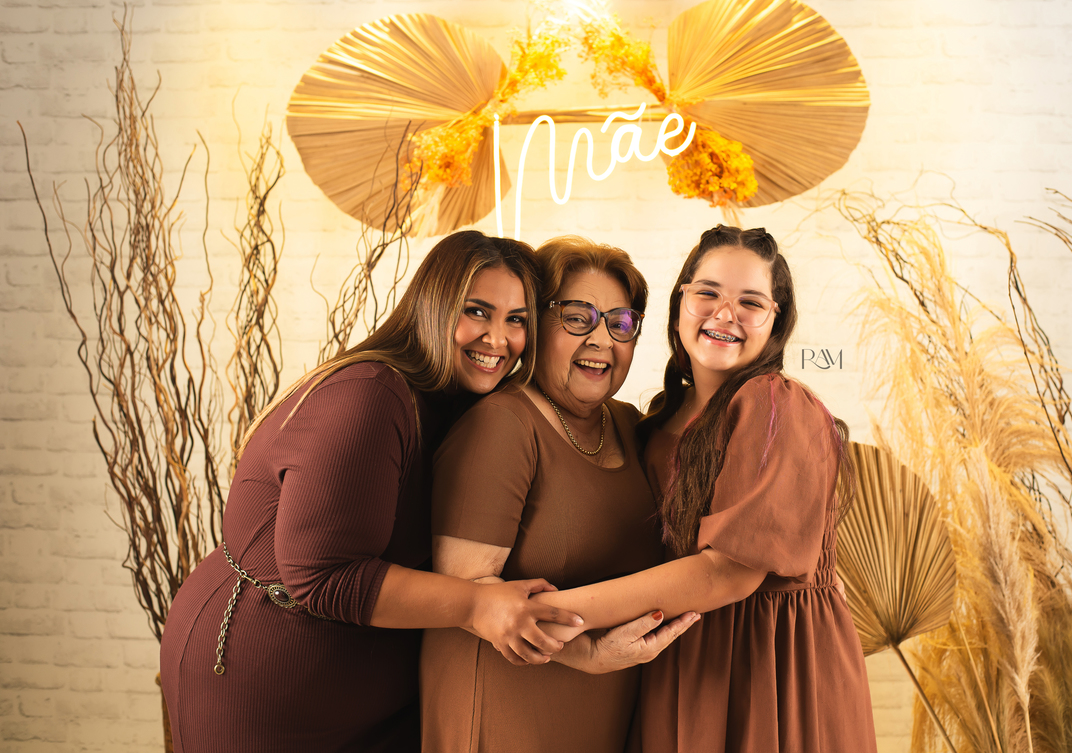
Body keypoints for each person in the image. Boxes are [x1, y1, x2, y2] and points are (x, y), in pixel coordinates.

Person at [159, 231, 585, 753]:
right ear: (433, 306)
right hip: (265, 675)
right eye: (477, 312)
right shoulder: (371, 393)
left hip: (368, 693)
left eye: (516, 320)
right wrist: (479, 604)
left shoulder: (466, 404)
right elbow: (322, 574)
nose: (497, 339)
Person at [533, 225, 878, 753]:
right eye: (708, 293)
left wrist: (556, 613)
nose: (725, 314)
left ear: (776, 321)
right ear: (679, 306)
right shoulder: (653, 424)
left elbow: (728, 573)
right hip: (674, 661)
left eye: (751, 302)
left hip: (768, 669)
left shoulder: (777, 405)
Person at [421, 237, 699, 753]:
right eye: (577, 317)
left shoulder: (627, 424)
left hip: (604, 705)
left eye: (620, 323)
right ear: (535, 324)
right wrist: (586, 652)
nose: (602, 340)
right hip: (506, 704)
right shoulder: (502, 424)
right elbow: (464, 594)